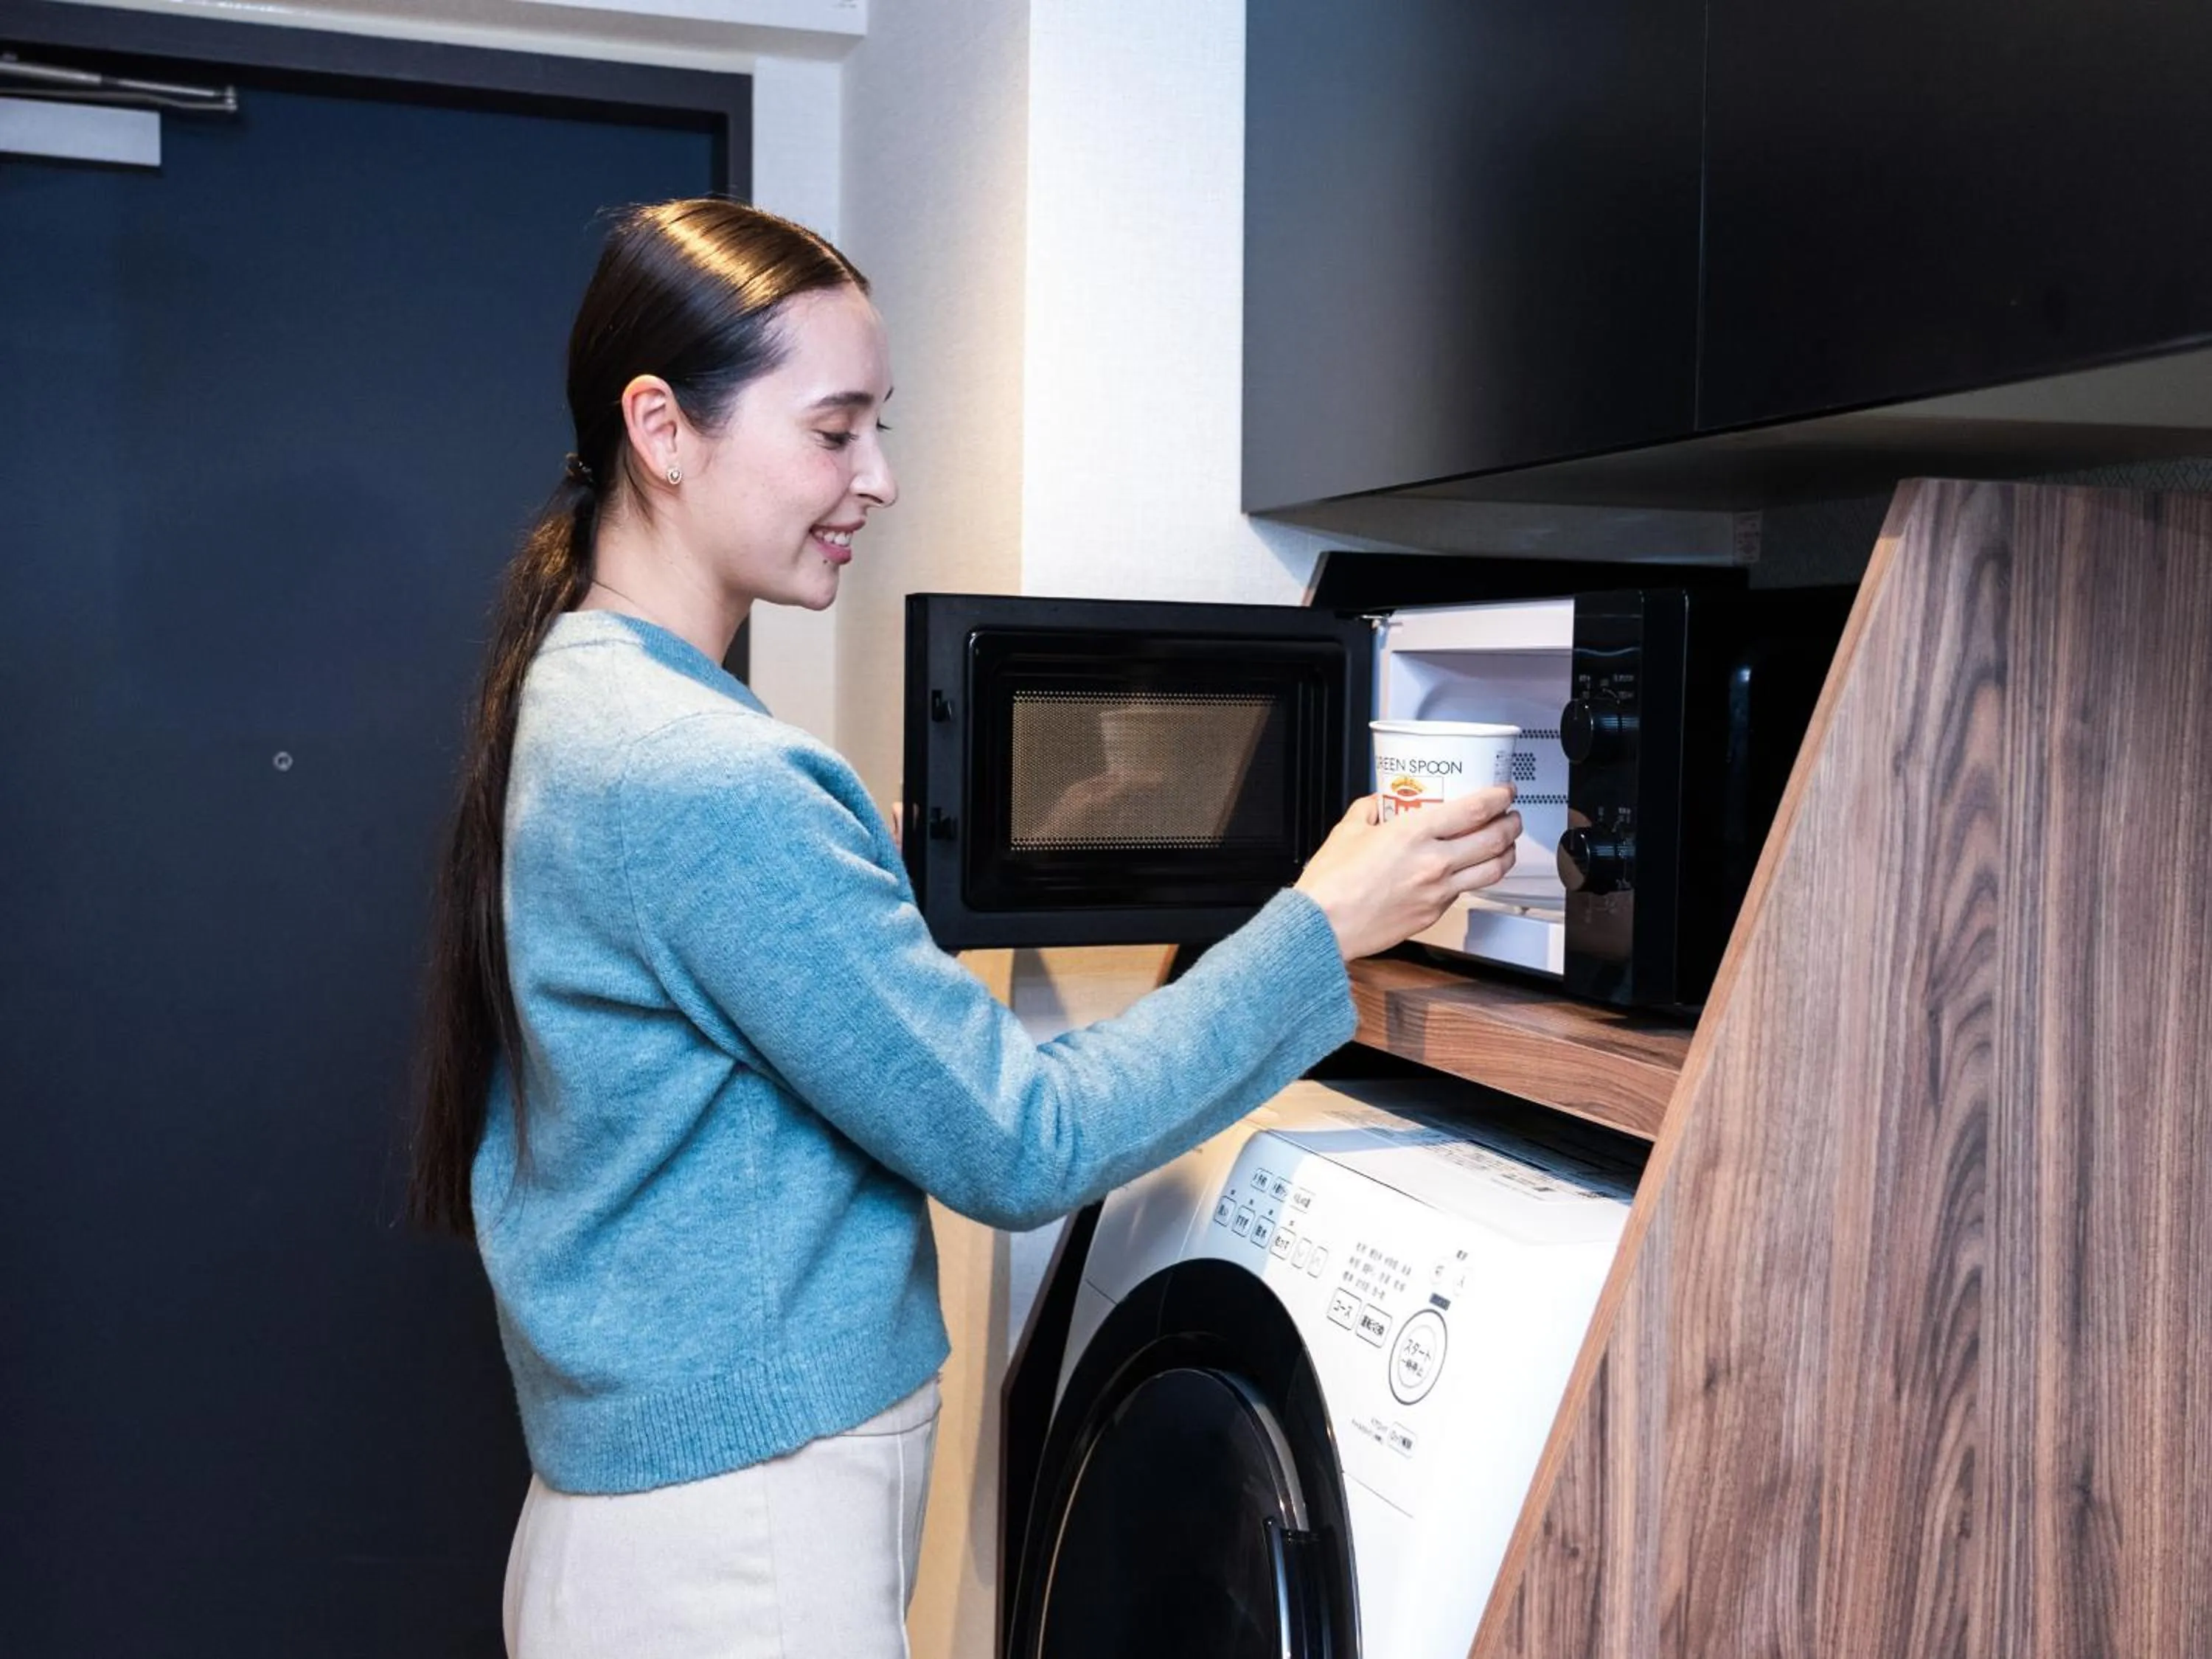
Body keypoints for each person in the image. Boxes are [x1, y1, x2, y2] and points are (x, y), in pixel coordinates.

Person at [410, 198, 1521, 1659]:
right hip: (738, 1555)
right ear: (662, 428)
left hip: (651, 1530)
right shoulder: (704, 771)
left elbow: (740, 977)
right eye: (834, 429)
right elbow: (1022, 1143)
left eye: (881, 427)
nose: (875, 478)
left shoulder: (585, 696)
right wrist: (1325, 924)